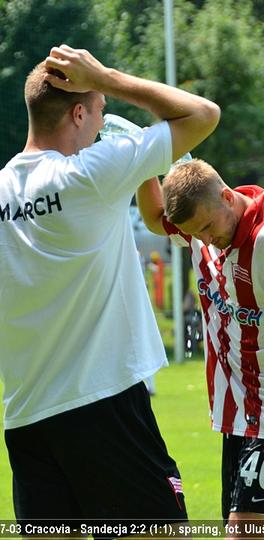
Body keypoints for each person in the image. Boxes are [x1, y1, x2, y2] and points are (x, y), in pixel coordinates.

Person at [0, 45, 220, 531]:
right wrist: (106, 76)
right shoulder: (89, 173)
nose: (104, 124)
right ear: (78, 111)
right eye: (100, 111)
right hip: (103, 404)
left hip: (25, 421)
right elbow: (202, 114)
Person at [137, 159, 264, 537]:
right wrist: (145, 158)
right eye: (197, 234)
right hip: (237, 413)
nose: (206, 241)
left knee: (244, 531)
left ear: (227, 198)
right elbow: (152, 217)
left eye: (209, 228)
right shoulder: (200, 226)